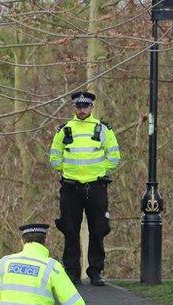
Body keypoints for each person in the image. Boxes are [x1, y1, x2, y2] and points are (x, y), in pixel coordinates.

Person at [49, 91, 121, 286]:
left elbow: (114, 157)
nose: (82, 110)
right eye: (79, 107)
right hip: (71, 187)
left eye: (85, 106)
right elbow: (55, 157)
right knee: (70, 230)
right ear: (75, 107)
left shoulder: (102, 129)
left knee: (98, 230)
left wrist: (97, 171)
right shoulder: (65, 130)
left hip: (96, 185)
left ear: (91, 107)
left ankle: (95, 272)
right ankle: (72, 272)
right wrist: (69, 171)